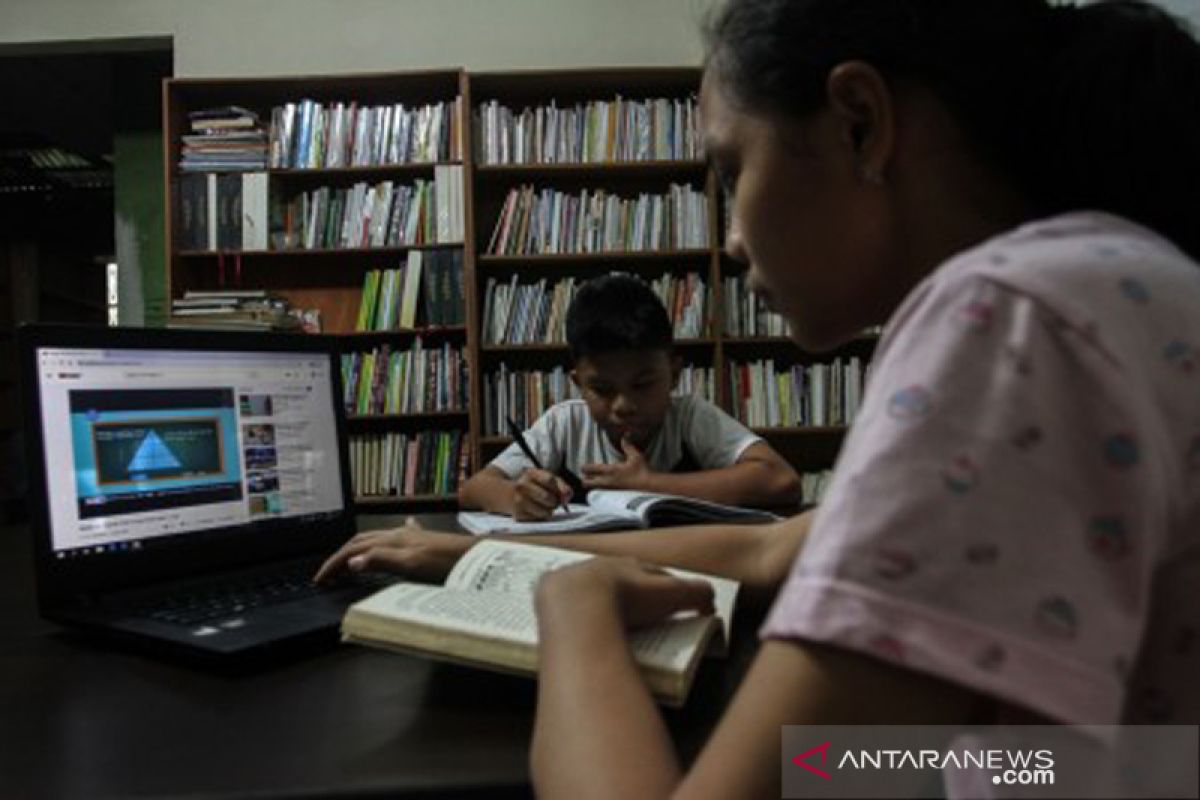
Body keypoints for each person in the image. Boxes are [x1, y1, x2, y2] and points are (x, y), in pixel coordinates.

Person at [319, 1, 1200, 796]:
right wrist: (497, 557)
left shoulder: (1010, 319)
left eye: (732, 171)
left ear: (860, 124)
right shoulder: (1111, 288)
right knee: (834, 763)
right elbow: (784, 553)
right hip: (1072, 762)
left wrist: (575, 610)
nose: (733, 239)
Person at [458, 273, 802, 519]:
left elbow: (780, 480)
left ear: (674, 375)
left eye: (643, 384)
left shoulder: (689, 417)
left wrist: (650, 484)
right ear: (579, 384)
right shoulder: (565, 423)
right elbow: (474, 489)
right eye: (603, 390)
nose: (624, 406)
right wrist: (513, 497)